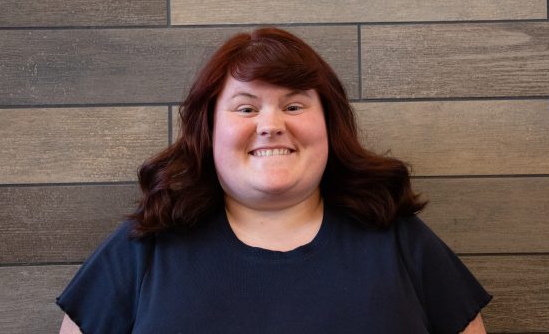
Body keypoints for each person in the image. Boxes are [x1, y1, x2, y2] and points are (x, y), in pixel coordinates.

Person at [57, 27, 491, 333]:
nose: (271, 125)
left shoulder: (401, 242)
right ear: (209, 131)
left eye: (295, 106)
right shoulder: (144, 248)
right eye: (246, 108)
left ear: (329, 125)